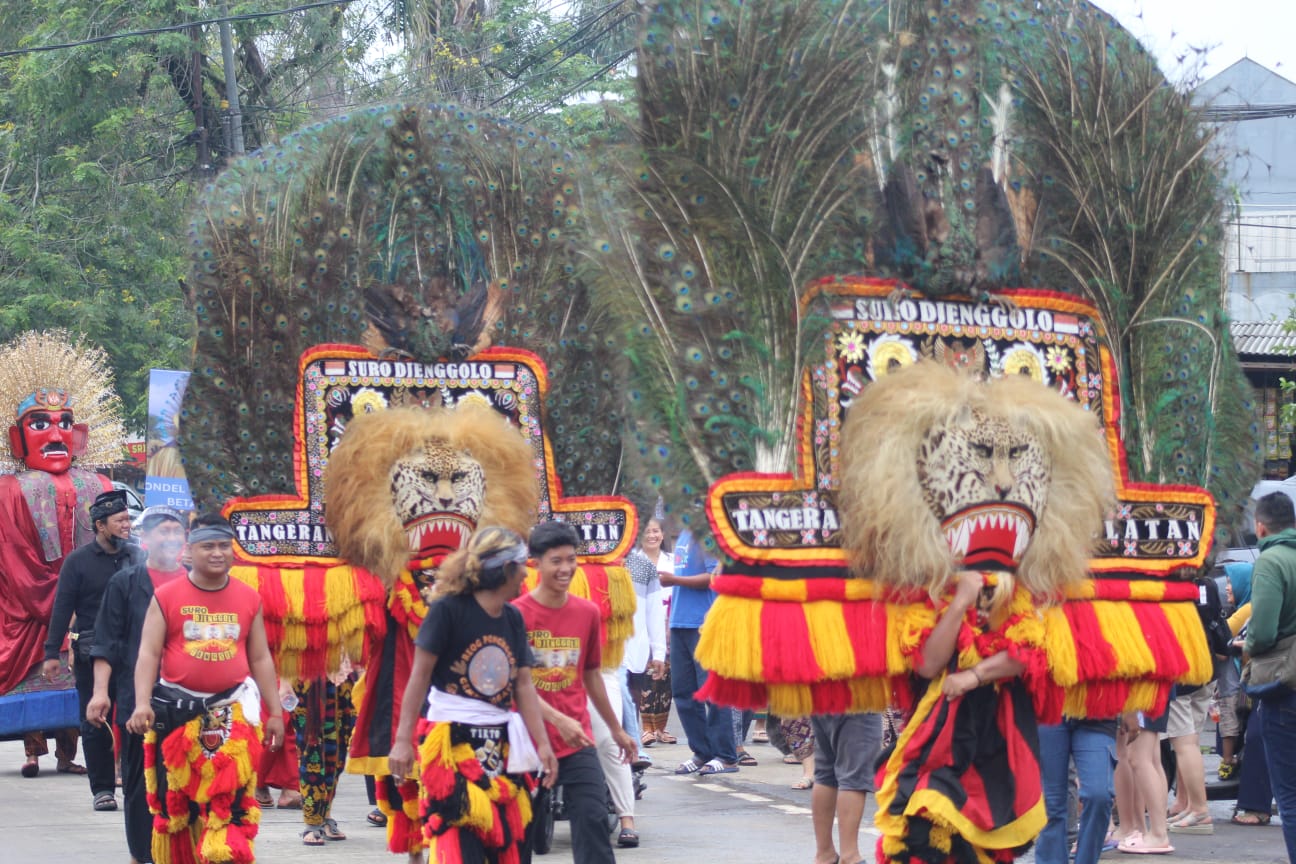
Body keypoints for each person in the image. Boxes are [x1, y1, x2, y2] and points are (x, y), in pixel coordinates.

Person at [387, 525, 556, 864]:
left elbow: (523, 685)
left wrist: (544, 746)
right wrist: (403, 740)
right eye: (523, 564)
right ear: (507, 569)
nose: (527, 572)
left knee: (511, 842)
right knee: (459, 841)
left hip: (503, 744)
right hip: (449, 743)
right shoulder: (448, 610)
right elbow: (418, 677)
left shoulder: (513, 618)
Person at [125, 513, 285, 864]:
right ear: (189, 551)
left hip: (233, 712)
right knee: (178, 805)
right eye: (208, 546)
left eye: (224, 546)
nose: (217, 553)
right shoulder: (166, 596)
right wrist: (141, 704)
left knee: (230, 805)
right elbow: (148, 654)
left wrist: (275, 712)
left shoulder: (248, 597)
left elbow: (260, 659)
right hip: (176, 713)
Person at [515, 521, 636, 864]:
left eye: (571, 559)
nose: (566, 568)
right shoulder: (516, 615)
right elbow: (514, 684)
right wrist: (556, 719)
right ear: (535, 563)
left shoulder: (587, 613)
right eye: (556, 560)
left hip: (576, 742)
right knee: (517, 836)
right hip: (524, 743)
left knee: (593, 821)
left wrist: (616, 729)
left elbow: (592, 674)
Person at [87, 504, 188, 864]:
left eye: (177, 530)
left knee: (188, 780)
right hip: (138, 699)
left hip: (189, 701)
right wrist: (101, 692)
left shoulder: (195, 580)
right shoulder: (125, 583)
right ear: (145, 538)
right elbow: (107, 642)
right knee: (141, 782)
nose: (171, 537)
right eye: (163, 530)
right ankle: (143, 854)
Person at [41, 488, 142, 810]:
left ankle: (136, 787)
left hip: (135, 654)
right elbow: (62, 606)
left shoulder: (138, 556)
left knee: (133, 721)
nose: (127, 525)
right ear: (100, 525)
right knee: (95, 721)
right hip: (91, 651)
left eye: (129, 519)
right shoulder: (78, 562)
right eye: (120, 520)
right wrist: (50, 653)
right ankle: (102, 790)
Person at [1244, 491, 1296, 861]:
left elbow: (1261, 632)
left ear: (1260, 526)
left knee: (1290, 796)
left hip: (1286, 686)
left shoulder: (1270, 562)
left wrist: (1246, 647)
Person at [661, 527, 735, 776]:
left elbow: (714, 577)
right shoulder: (682, 534)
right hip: (680, 623)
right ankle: (702, 752)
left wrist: (674, 580)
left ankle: (726, 756)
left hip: (704, 623)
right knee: (683, 694)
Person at [1036, 719, 1116, 864]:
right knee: (1052, 803)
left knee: (1099, 795)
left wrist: (1131, 708)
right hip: (1051, 710)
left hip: (1098, 713)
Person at [620, 519, 667, 766]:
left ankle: (632, 758)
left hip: (634, 653)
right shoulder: (593, 565)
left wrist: (658, 652)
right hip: (603, 653)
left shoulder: (643, 567)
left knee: (632, 704)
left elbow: (654, 612)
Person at [289, 674, 357, 846]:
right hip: (306, 681)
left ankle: (325, 814)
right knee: (311, 750)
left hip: (342, 681)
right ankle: (312, 822)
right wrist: (283, 684)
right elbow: (282, 650)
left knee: (338, 752)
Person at [810, 713, 881, 864]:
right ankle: (850, 856)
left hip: (819, 694)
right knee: (854, 775)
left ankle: (824, 855)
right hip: (858, 695)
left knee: (825, 773)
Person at [636, 520, 676, 747]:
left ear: (662, 534)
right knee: (645, 677)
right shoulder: (634, 561)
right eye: (647, 531)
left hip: (670, 624)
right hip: (643, 625)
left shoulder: (672, 562)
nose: (652, 535)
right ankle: (646, 728)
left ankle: (661, 728)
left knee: (666, 679)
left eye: (656, 531)